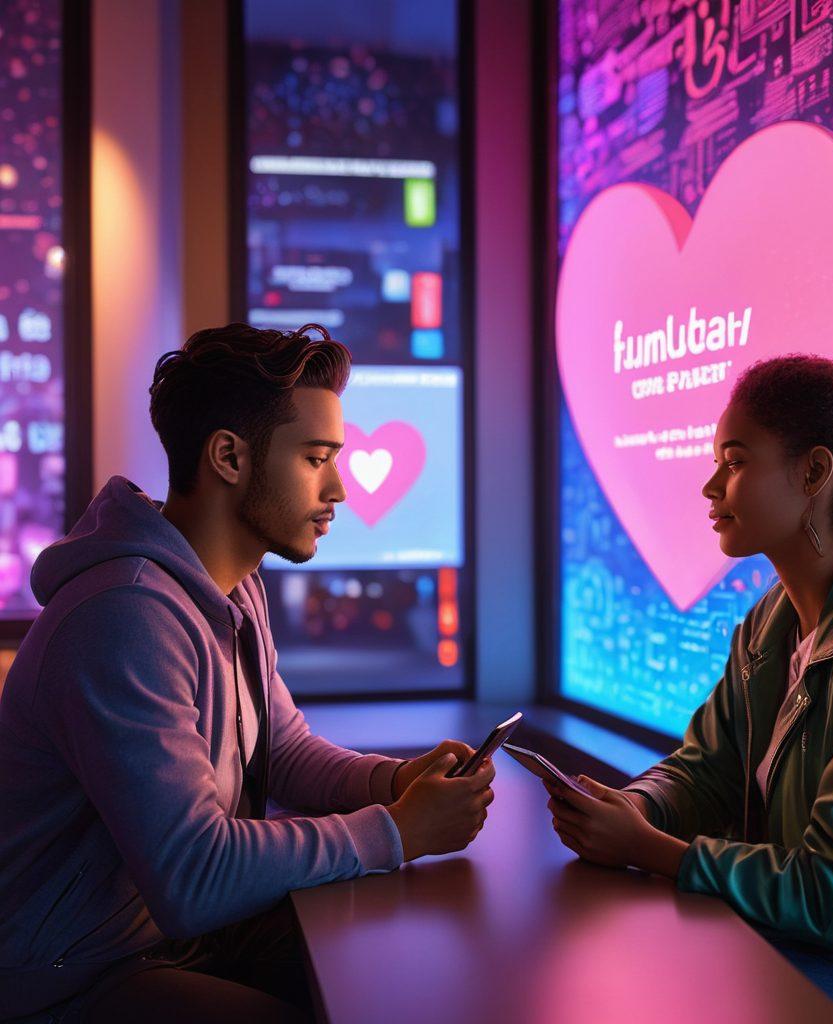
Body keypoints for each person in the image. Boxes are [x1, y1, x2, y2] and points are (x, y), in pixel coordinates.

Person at [0, 323, 495, 1022]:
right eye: (316, 458)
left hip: (169, 940)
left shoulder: (234, 587)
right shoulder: (124, 617)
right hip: (71, 976)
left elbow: (283, 752)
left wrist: (394, 782)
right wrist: (399, 832)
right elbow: (194, 874)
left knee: (409, 980)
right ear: (229, 456)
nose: (339, 490)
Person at [545, 355, 833, 1022]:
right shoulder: (773, 621)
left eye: (735, 462)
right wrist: (632, 806)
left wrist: (651, 850)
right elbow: (708, 771)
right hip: (820, 942)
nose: (711, 487)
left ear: (814, 473)